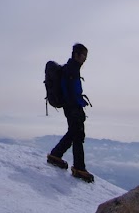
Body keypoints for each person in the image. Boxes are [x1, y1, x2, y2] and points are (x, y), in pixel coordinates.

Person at [46, 43, 94, 182]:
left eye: (86, 55)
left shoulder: (72, 68)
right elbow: (71, 92)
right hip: (73, 108)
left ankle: (56, 155)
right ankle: (79, 168)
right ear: (76, 54)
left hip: (72, 107)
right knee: (77, 134)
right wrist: (77, 107)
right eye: (83, 55)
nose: (84, 58)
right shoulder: (71, 69)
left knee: (74, 133)